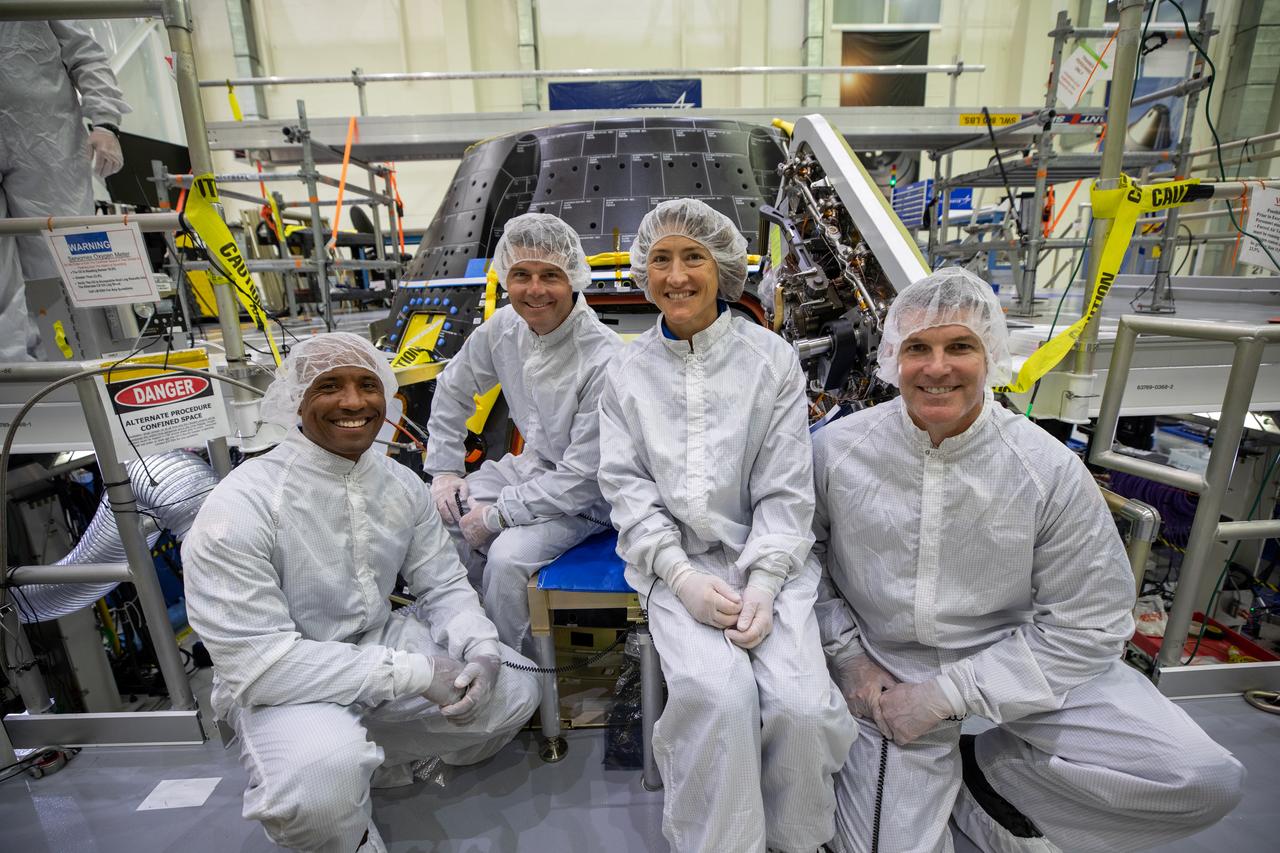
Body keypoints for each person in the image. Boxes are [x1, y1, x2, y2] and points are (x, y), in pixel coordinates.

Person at [812, 268, 1246, 853]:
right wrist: (850, 661)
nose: (937, 367)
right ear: (892, 357)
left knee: (1200, 779)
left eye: (959, 346)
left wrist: (952, 695)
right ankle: (957, 790)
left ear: (991, 354)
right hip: (889, 676)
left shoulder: (1044, 469)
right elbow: (801, 563)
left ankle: (992, 779)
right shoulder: (838, 452)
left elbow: (1091, 622)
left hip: (1023, 665)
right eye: (918, 348)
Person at [183, 333, 539, 853]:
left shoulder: (397, 483)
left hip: (377, 641)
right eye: (330, 386)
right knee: (318, 795)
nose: (354, 402)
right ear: (296, 402)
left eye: (367, 385)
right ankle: (329, 778)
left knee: (517, 688)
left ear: (387, 394)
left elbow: (440, 583)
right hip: (288, 680)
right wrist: (416, 674)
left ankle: (364, 756)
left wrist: (479, 647)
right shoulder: (242, 506)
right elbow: (259, 665)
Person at [598, 198, 857, 853]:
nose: (676, 275)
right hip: (674, 565)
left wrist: (766, 581)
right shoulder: (624, 372)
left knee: (801, 708)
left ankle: (798, 839)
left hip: (771, 559)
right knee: (719, 698)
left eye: (694, 257)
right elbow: (628, 491)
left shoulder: (770, 360)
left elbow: (785, 486)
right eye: (661, 258)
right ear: (642, 271)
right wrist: (680, 575)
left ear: (725, 269)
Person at [426, 212, 621, 652]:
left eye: (550, 275)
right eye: (521, 275)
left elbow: (582, 478)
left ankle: (517, 675)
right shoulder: (503, 329)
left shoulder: (603, 359)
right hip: (532, 468)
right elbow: (453, 388)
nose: (535, 290)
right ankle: (468, 640)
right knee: (436, 518)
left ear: (573, 278)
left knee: (507, 558)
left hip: (593, 497)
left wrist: (497, 516)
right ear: (504, 277)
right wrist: (444, 471)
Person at [0, 19, 129, 361]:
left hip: (45, 139)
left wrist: (105, 122)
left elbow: (85, 52)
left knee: (62, 258)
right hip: (43, 137)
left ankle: (73, 363)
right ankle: (12, 372)